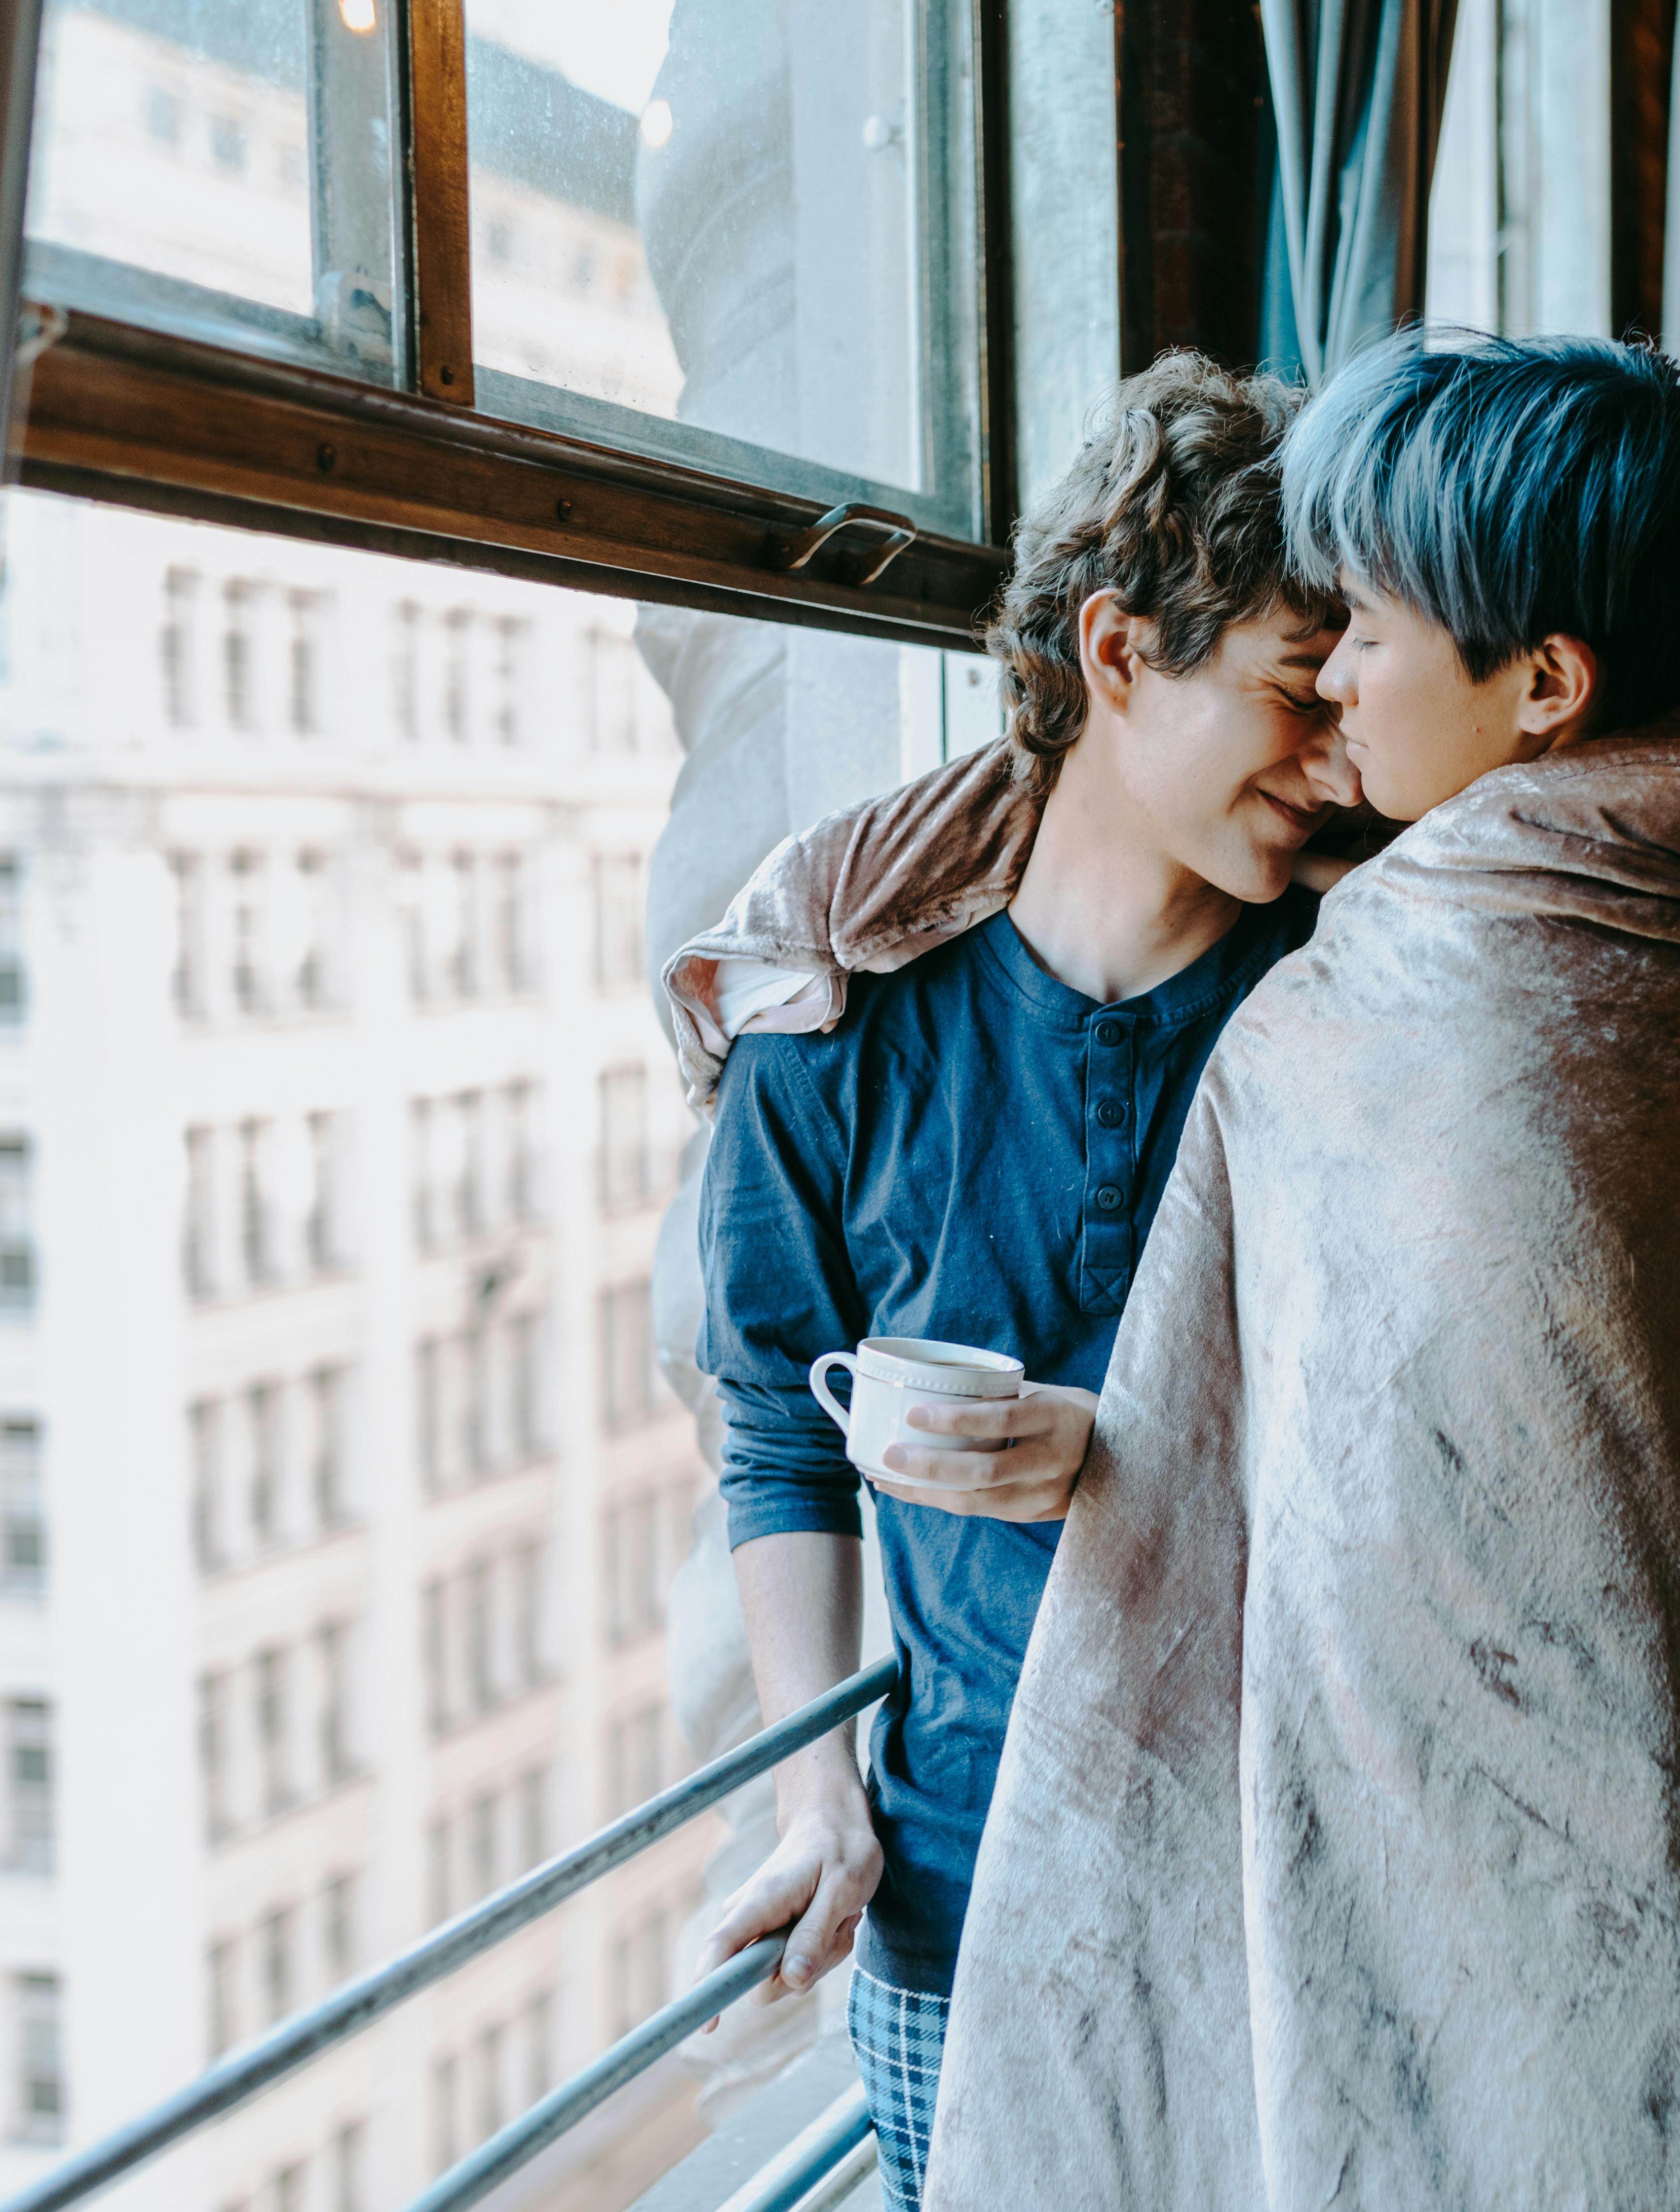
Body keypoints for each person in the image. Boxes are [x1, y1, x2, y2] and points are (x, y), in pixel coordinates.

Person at [910, 336, 1680, 2209]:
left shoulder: (1436, 978)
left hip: (1531, 1956)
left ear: (1550, 685)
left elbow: (1371, 1526)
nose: (1333, 680)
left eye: (1365, 632)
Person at [674, 351, 1350, 2212]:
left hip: (1301, 1892)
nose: (1336, 762)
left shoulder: (1362, 993)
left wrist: (1130, 1456)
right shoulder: (834, 1002)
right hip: (955, 1904)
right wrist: (822, 1804)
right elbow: (775, 1423)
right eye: (1298, 699)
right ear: (1118, 653)